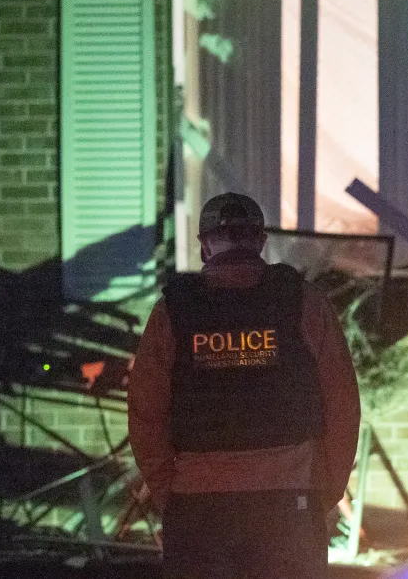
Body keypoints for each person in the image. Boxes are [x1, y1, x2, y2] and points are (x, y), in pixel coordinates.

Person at [128, 192, 361, 579]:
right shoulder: (305, 302)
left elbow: (145, 413)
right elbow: (342, 406)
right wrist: (325, 490)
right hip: (289, 502)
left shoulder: (173, 309)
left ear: (204, 246)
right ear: (260, 241)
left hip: (198, 506)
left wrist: (168, 489)